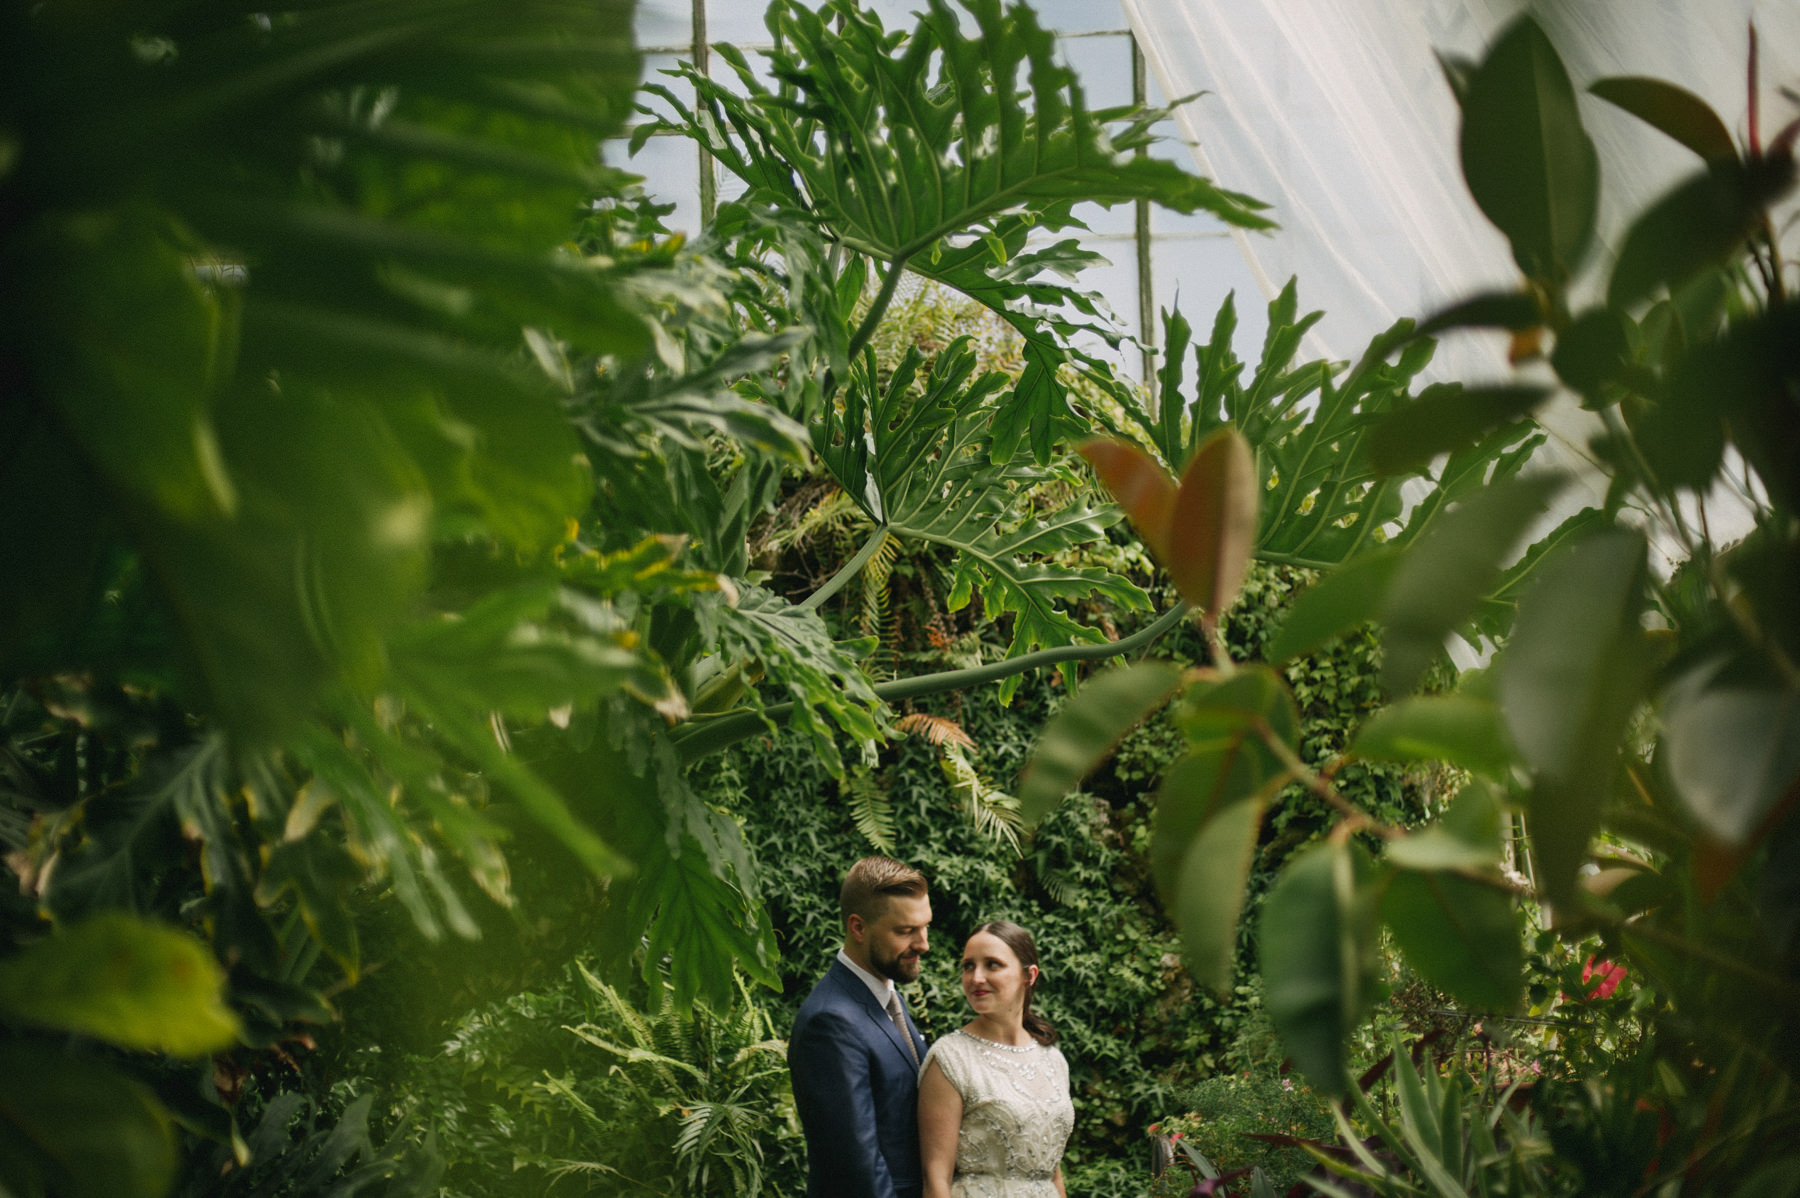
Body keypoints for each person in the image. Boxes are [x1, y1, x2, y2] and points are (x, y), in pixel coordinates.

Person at [790, 856, 934, 1198]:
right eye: (906, 931)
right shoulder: (829, 1022)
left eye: (925, 926)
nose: (924, 943)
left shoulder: (887, 999)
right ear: (858, 927)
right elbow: (857, 1169)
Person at [918, 920, 1074, 1198]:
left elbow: (1053, 1173)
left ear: (1030, 975)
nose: (976, 977)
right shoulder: (950, 1059)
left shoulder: (1054, 1060)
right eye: (968, 966)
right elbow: (935, 1181)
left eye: (992, 964)